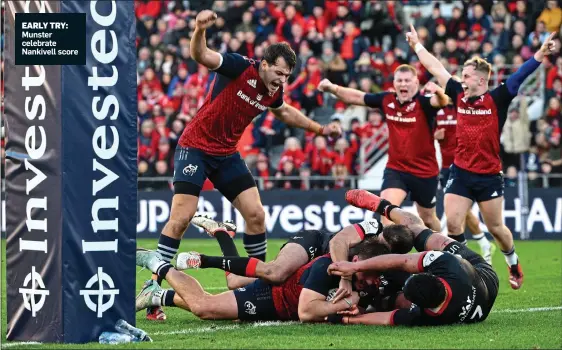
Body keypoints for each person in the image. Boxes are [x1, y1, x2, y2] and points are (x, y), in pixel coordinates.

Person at [146, 10, 342, 320]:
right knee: (180, 217)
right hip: (195, 147)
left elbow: (286, 113)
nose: (282, 80)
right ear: (264, 65)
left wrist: (320, 130)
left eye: (287, 76)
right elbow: (201, 54)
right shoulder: (240, 67)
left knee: (256, 214)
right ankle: (151, 285)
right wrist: (199, 28)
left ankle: (256, 282)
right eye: (278, 73)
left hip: (226, 154)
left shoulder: (272, 91)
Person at [406, 23, 557, 289]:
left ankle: (513, 261)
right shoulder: (457, 95)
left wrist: (541, 52)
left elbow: (521, 74)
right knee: (453, 223)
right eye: (462, 76)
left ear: (481, 79)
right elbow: (435, 68)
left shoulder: (498, 97)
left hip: (488, 175)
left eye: (466, 76)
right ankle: (466, 270)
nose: (461, 80)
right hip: (461, 172)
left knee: (497, 228)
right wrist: (417, 44)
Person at [326, 190, 499, 326]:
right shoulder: (450, 264)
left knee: (398, 302)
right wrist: (354, 268)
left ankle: (381, 298)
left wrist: (348, 319)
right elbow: (403, 261)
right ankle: (383, 206)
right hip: (484, 276)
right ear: (435, 277)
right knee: (418, 232)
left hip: (477, 294)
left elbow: (389, 318)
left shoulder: (428, 316)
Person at [317, 65, 449, 232]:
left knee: (428, 219)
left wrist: (437, 90)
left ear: (416, 82)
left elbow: (442, 101)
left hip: (424, 172)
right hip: (396, 169)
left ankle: (442, 248)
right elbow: (357, 97)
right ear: (394, 83)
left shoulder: (424, 103)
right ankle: (392, 257)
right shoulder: (387, 100)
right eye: (399, 80)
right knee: (387, 214)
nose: (403, 84)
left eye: (407, 80)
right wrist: (333, 88)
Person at [175, 214, 414, 304]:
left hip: (318, 268)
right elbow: (337, 242)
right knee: (276, 272)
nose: (378, 247)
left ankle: (222, 233)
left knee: (235, 283)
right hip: (314, 245)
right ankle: (204, 260)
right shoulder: (372, 226)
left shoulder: (391, 263)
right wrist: (346, 278)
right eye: (380, 242)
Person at [135, 239, 389, 323]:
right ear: (357, 261)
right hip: (271, 296)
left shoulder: (366, 283)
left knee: (221, 301)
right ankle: (156, 262)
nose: (374, 281)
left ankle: (158, 296)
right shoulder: (327, 267)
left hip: (280, 306)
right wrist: (342, 308)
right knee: (205, 307)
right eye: (371, 274)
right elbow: (307, 311)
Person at [431, 79, 495, 264]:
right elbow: (427, 134)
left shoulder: (465, 108)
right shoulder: (437, 112)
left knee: (459, 211)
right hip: (445, 167)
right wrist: (434, 136)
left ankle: (464, 250)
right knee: (463, 212)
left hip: (464, 166)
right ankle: (483, 245)